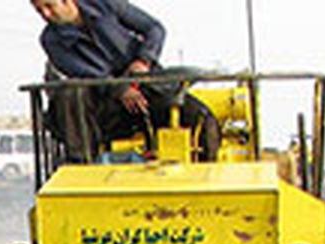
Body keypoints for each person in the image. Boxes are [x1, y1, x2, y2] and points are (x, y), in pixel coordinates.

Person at [29, 0, 220, 163]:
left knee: (202, 119)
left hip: (146, 86)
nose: (46, 14)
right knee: (70, 93)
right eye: (39, 10)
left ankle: (204, 178)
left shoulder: (105, 4)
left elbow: (154, 28)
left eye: (49, 6)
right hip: (105, 104)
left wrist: (143, 60)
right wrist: (120, 89)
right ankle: (82, 167)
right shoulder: (51, 40)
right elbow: (87, 74)